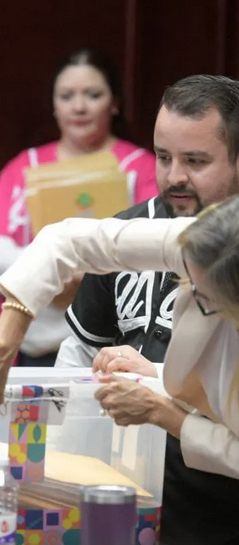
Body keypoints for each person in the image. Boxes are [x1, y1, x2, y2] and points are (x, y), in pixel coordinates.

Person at [54, 74, 239, 544]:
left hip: (220, 501)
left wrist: (153, 385)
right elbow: (76, 360)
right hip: (125, 490)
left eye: (195, 161)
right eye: (163, 157)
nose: (174, 176)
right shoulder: (127, 234)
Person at [0, 202, 239, 479]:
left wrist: (163, 413)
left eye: (206, 299)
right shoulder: (200, 239)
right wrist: (2, 348)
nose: (191, 302)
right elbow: (65, 242)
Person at [0, 48, 157, 367]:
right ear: (54, 105)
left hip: (114, 347)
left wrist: (88, 277)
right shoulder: (23, 167)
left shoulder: (141, 167)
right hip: (30, 340)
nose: (79, 107)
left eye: (93, 95)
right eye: (67, 96)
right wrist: (52, 272)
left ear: (114, 102)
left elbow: (155, 244)